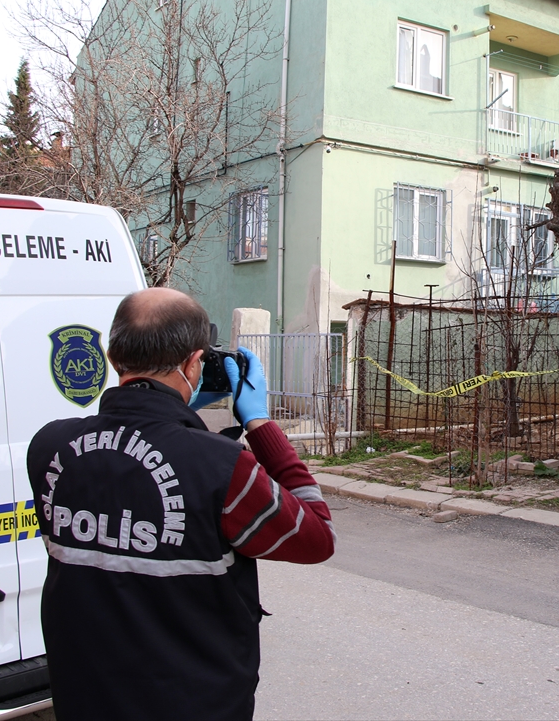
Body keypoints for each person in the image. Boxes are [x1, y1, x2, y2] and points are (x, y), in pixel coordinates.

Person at [27, 288, 335, 721]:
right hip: (194, 703)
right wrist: (260, 423)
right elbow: (318, 537)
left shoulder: (49, 447)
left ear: (113, 359)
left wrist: (177, 412)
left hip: (84, 697)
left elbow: (127, 470)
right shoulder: (221, 466)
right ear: (194, 363)